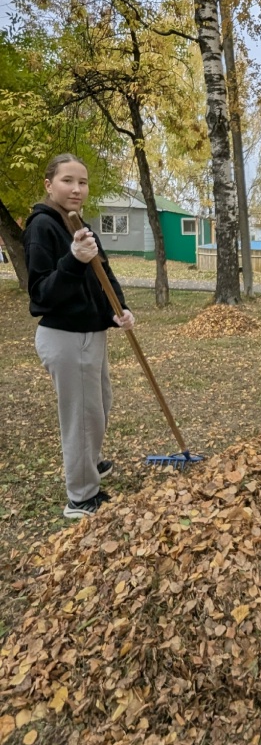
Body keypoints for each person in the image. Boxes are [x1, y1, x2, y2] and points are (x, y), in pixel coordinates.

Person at [23, 153, 135, 519]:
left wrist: (120, 308)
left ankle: (91, 462)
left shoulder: (78, 225)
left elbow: (104, 274)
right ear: (49, 184)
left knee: (99, 404)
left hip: (92, 331)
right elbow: (41, 293)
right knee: (81, 417)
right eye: (68, 180)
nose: (76, 188)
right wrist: (73, 260)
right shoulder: (42, 227)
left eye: (82, 182)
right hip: (66, 335)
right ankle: (82, 497)